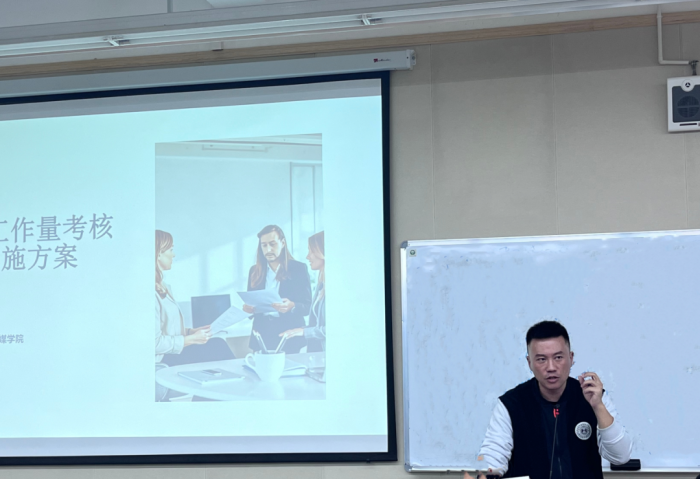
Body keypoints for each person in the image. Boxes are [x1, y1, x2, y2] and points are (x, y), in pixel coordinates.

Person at [465, 320, 632, 479]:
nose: (551, 367)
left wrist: (598, 406)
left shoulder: (593, 397)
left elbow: (621, 457)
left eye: (558, 357)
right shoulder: (511, 404)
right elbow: (492, 455)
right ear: (529, 363)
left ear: (571, 358)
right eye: (541, 359)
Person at [155, 230, 211, 401]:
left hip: (172, 352)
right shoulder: (148, 293)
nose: (173, 254)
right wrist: (191, 340)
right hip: (162, 359)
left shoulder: (163, 286)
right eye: (170, 250)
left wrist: (190, 332)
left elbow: (167, 327)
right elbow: (154, 343)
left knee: (217, 345)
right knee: (216, 349)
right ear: (158, 254)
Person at [243, 225, 311, 353]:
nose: (268, 249)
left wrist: (292, 306)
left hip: (288, 335)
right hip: (262, 335)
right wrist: (248, 309)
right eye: (264, 245)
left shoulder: (298, 269)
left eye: (272, 244)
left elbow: (308, 306)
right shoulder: (254, 271)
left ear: (283, 243)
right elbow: (251, 303)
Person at [280, 231, 326, 352]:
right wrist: (300, 330)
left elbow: (332, 329)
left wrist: (304, 332)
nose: (307, 256)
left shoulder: (335, 287)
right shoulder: (321, 284)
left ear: (322, 251)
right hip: (316, 352)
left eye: (311, 251)